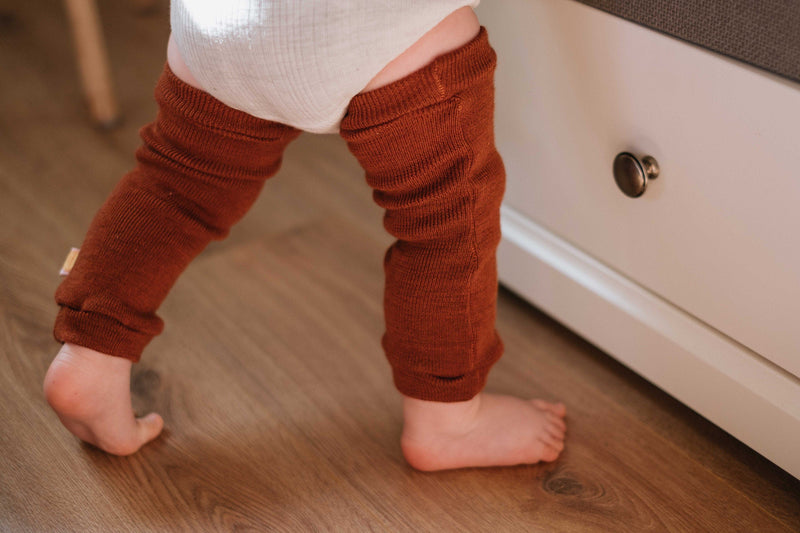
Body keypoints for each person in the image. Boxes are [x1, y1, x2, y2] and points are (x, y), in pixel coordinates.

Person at [43, 1, 566, 471]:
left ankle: (91, 352)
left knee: (178, 185)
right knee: (446, 224)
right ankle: (449, 423)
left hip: (223, 29)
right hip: (383, 29)